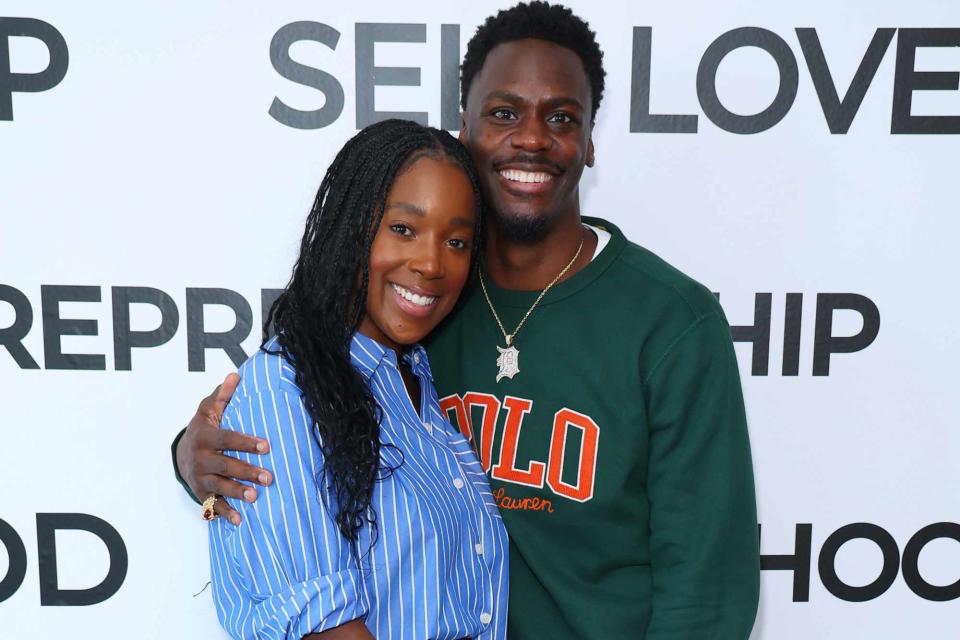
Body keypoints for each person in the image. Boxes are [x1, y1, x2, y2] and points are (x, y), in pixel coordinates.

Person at [175, 3, 760, 638]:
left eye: (562, 117)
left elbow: (705, 592)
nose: (532, 138)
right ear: (466, 131)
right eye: (504, 113)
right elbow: (299, 449)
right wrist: (194, 456)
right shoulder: (419, 308)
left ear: (591, 140)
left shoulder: (672, 323)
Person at [204, 119, 508, 639]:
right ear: (352, 226)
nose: (432, 263)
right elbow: (322, 626)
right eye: (404, 229)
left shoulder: (418, 381)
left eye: (456, 241)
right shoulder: (282, 389)